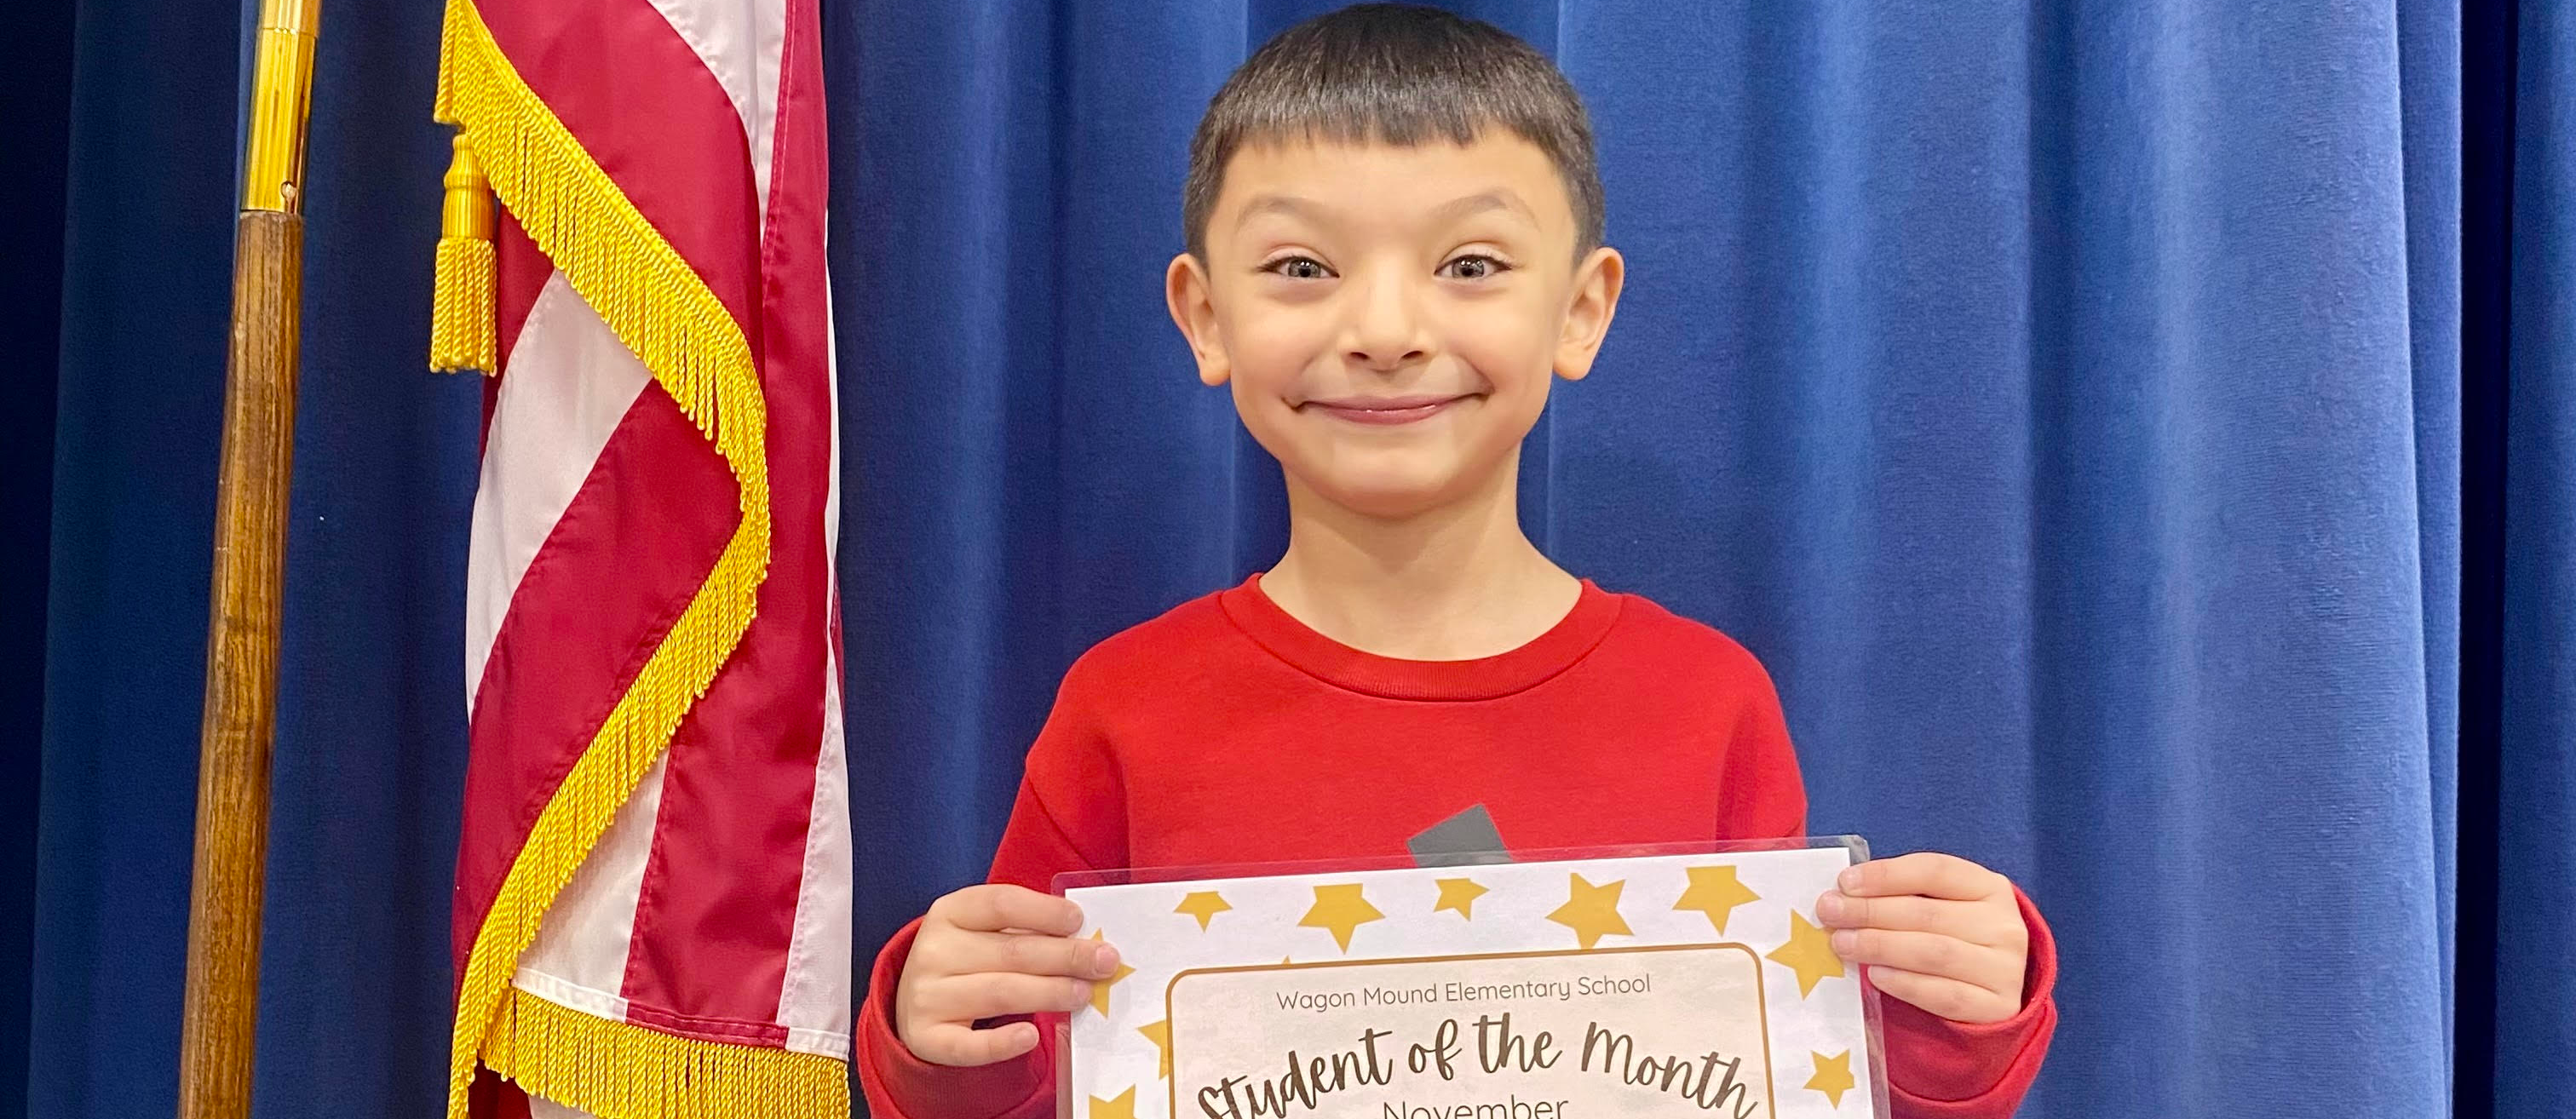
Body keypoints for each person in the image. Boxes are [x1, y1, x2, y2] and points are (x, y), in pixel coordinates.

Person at [858, 6, 2056, 1116]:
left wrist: (1956, 1022)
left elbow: (1784, 1073)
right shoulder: (1122, 705)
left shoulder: (1706, 700)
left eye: (1470, 265)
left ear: (1581, 311)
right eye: (1302, 268)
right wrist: (936, 1029)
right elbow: (1019, 1077)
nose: (1384, 331)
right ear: (1205, 316)